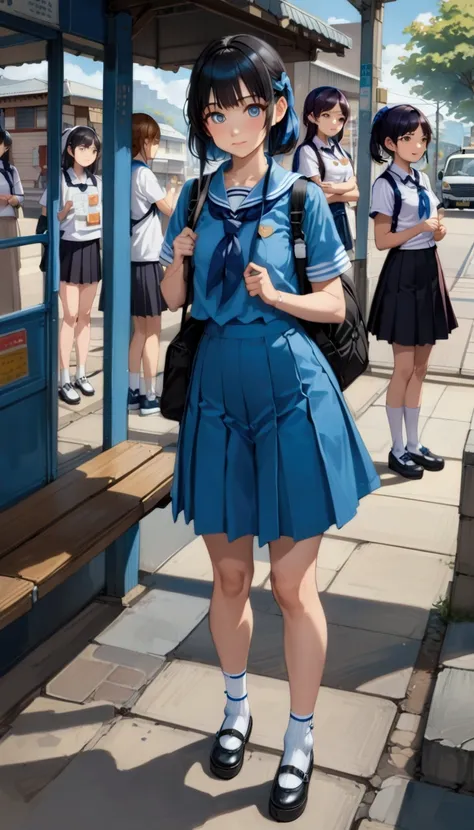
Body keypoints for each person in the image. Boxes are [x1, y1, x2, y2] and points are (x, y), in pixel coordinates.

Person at [159, 35, 379, 823]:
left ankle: (301, 736)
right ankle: (235, 707)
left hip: (291, 385)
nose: (231, 121)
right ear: (204, 119)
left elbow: (336, 305)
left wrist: (278, 294)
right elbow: (172, 294)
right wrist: (177, 257)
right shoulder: (192, 196)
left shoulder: (301, 198)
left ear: (276, 108)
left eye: (248, 106)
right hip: (218, 384)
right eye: (215, 110)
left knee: (290, 584)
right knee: (226, 576)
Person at [367, 105, 457, 479]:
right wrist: (420, 228)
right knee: (403, 367)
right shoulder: (384, 185)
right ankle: (397, 448)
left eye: (422, 139)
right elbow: (381, 240)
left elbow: (434, 221)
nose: (418, 145)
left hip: (427, 270)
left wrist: (437, 231)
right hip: (403, 272)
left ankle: (415, 443)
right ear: (390, 143)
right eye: (409, 139)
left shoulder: (421, 180)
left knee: (421, 367)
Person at [40, 126, 102, 405]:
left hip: (91, 248)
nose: (88, 153)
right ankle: (62, 376)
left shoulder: (97, 182)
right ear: (70, 150)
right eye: (83, 148)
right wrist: (62, 213)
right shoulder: (60, 180)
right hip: (68, 248)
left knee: (85, 315)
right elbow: (46, 213)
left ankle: (81, 372)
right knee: (70, 315)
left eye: (92, 149)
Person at [127, 113, 175, 415]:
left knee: (139, 331)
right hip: (147, 261)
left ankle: (133, 392)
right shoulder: (144, 174)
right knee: (153, 331)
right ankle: (150, 396)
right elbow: (168, 208)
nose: (155, 146)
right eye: (154, 141)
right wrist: (173, 192)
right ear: (143, 141)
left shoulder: (124, 171)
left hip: (131, 261)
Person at [292, 87, 358, 255]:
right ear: (312, 116)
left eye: (340, 118)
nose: (334, 123)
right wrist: (345, 191)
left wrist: (334, 190)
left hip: (346, 222)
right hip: (320, 222)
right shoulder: (308, 151)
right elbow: (316, 197)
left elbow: (356, 193)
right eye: (327, 115)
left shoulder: (340, 151)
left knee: (347, 269)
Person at [0, 128, 24, 316]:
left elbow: (20, 197)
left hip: (7, 222)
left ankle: (11, 312)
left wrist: (11, 199)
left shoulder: (10, 170)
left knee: (8, 271)